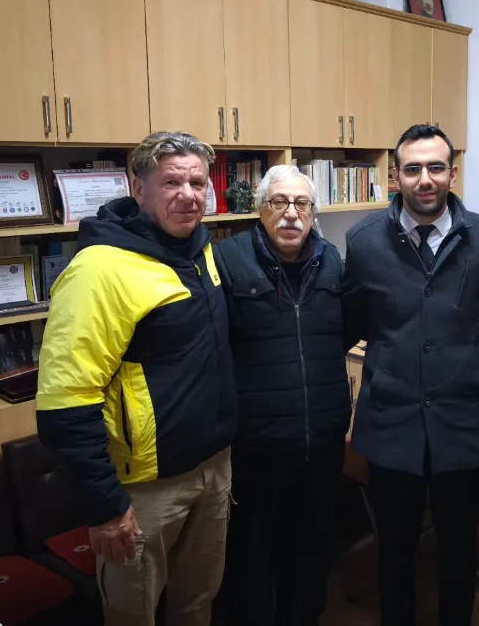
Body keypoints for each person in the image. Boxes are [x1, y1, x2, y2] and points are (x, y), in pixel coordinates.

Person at [36, 132, 237, 626]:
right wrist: (105, 506)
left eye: (197, 182)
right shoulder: (99, 269)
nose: (188, 195)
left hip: (212, 469)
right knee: (134, 615)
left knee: (198, 602)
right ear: (139, 189)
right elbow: (66, 401)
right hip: (145, 490)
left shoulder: (200, 250)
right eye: (171, 183)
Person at [342, 124, 479, 626]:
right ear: (395, 176)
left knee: (459, 549)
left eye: (436, 167)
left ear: (452, 173)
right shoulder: (364, 241)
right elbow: (350, 322)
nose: (425, 179)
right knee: (395, 551)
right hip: (391, 426)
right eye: (412, 168)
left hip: (463, 425)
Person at [213, 164, 350, 626]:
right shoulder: (226, 260)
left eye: (302, 204)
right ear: (261, 209)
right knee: (251, 557)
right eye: (279, 202)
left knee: (312, 553)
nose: (291, 213)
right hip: (257, 447)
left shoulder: (332, 260)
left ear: (313, 212)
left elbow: (343, 331)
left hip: (321, 443)